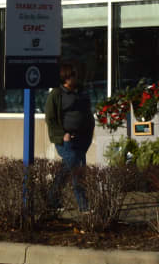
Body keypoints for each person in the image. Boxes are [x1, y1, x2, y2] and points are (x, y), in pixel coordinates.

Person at [45, 62, 95, 212]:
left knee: (70, 170)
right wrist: (63, 135)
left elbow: (87, 112)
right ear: (65, 78)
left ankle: (52, 200)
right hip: (66, 140)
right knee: (76, 171)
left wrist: (89, 132)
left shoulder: (81, 92)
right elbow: (50, 118)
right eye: (72, 75)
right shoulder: (56, 94)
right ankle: (83, 205)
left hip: (82, 138)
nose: (75, 77)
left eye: (76, 74)